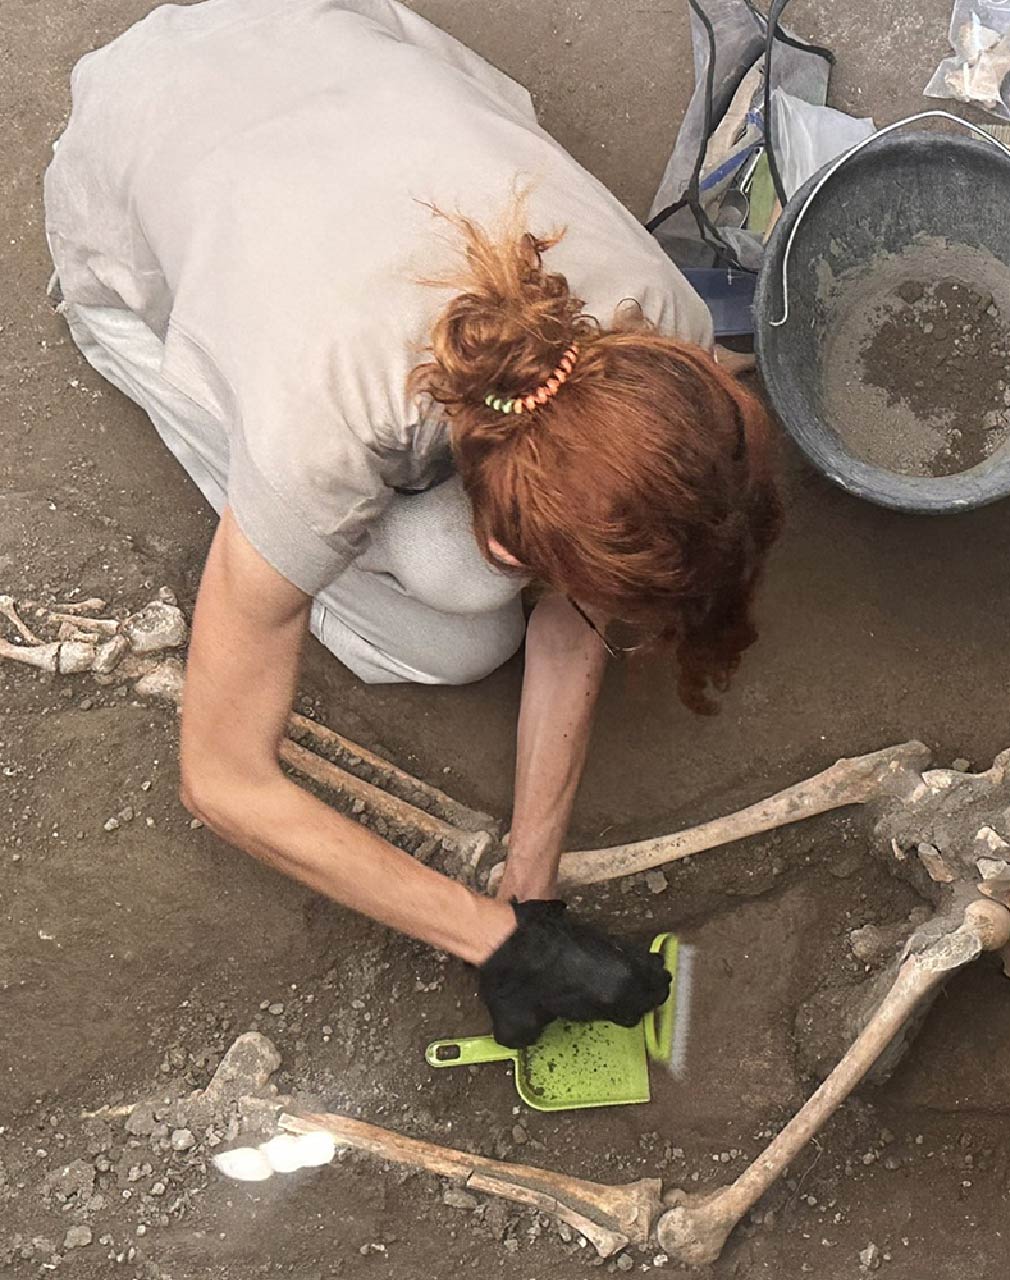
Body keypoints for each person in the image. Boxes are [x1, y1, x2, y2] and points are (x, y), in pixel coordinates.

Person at [42, 0, 783, 1047]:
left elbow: (581, 599)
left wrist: (535, 889)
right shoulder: (323, 427)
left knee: (474, 592)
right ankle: (163, 372)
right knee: (455, 629)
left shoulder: (660, 331)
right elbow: (222, 778)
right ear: (513, 539)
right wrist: (493, 938)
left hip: (298, 30)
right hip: (126, 167)